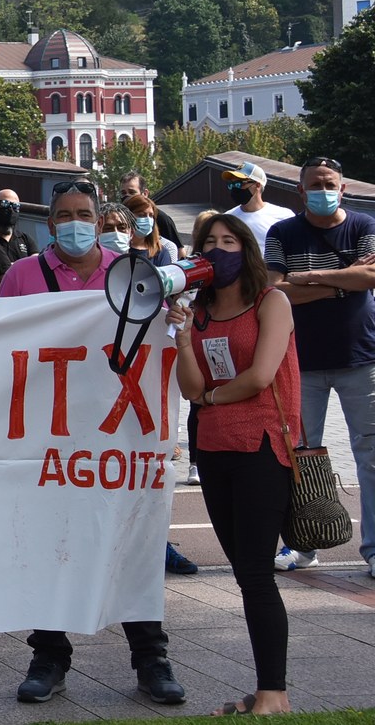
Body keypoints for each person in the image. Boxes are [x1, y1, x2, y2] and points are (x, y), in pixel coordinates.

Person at [0, 181, 186, 706]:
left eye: (84, 214)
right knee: (48, 544)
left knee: (132, 539)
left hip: (121, 433)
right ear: (49, 223)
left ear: (99, 219)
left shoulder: (133, 274)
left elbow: (165, 340)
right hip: (47, 432)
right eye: (64, 215)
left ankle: (152, 658)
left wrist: (177, 324)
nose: (74, 223)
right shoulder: (21, 275)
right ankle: (49, 656)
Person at [166, 214, 299, 716]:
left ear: (247, 250)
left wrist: (214, 398)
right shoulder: (196, 313)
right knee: (245, 574)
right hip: (213, 448)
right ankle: (265, 690)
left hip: (262, 447)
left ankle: (274, 693)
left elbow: (261, 375)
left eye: (229, 242)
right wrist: (181, 338)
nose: (219, 251)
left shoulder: (272, 302)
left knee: (257, 573)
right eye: (208, 243)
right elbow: (190, 389)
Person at [265, 157, 375, 577]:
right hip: (300, 362)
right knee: (297, 458)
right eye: (315, 184)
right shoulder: (282, 232)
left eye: (330, 183)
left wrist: (308, 276)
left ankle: (374, 548)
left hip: (362, 359)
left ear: (343, 188)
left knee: (371, 456)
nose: (323, 190)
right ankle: (302, 545)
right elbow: (274, 290)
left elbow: (370, 279)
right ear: (300, 191)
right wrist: (340, 283)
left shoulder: (364, 225)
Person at [225, 162, 295, 250]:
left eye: (240, 183)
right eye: (232, 184)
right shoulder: (228, 218)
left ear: (257, 185)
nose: (235, 188)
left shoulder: (284, 216)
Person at [120, 171, 184, 257]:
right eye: (123, 193)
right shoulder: (117, 217)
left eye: (132, 192)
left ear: (145, 194)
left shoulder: (161, 218)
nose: (127, 196)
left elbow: (180, 251)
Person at [0, 189, 37, 284]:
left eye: (15, 206)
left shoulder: (26, 239)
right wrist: (22, 268)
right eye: (5, 204)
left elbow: (36, 268)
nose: (10, 209)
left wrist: (7, 271)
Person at [123, 193, 178, 266]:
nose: (147, 219)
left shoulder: (161, 253)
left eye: (151, 216)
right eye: (141, 215)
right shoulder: (119, 249)